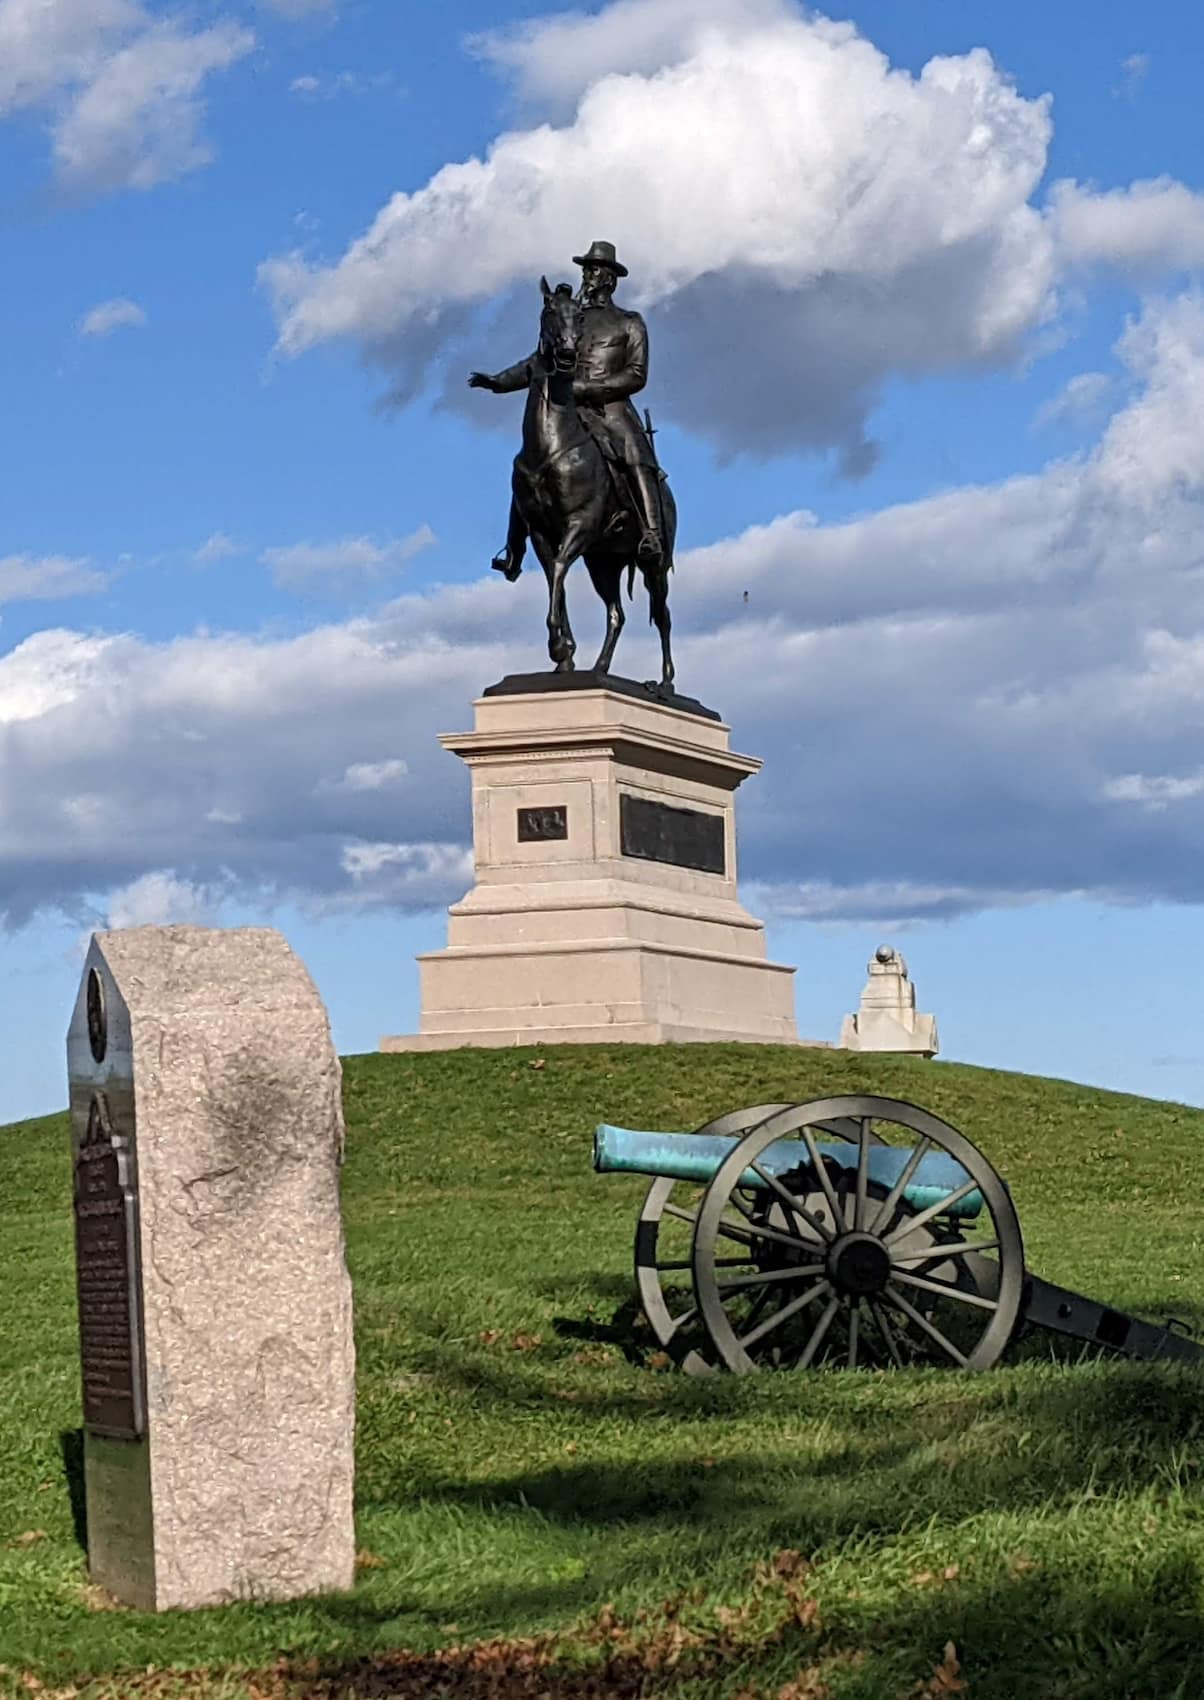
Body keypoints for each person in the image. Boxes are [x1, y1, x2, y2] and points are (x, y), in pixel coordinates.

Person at [469, 240, 665, 574]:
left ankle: (651, 533)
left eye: (594, 269)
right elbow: (539, 361)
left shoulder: (629, 322)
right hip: (570, 410)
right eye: (586, 269)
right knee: (530, 464)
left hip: (612, 410)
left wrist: (588, 389)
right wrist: (499, 382)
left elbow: (636, 374)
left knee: (635, 455)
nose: (587, 275)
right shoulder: (572, 317)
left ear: (610, 278)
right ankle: (514, 549)